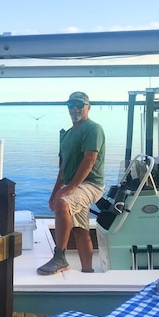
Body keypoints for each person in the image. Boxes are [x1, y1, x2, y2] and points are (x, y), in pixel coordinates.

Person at [37, 91, 106, 275]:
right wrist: (54, 193)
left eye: (79, 104)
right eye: (71, 104)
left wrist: (72, 188)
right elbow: (63, 168)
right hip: (74, 185)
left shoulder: (93, 128)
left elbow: (90, 159)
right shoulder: (67, 135)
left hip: (91, 185)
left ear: (88, 107)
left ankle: (60, 257)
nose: (75, 108)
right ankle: (87, 271)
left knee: (63, 203)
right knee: (81, 229)